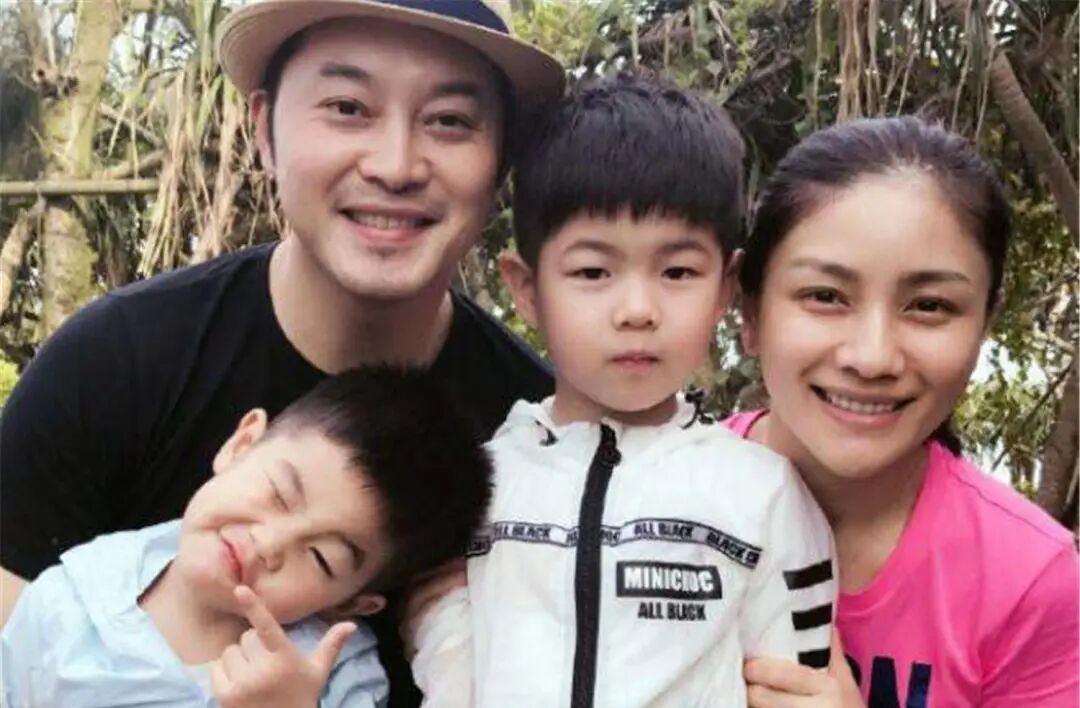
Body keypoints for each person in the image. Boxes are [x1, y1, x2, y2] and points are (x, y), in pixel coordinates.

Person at [0, 2, 562, 705]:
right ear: (264, 130)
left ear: (501, 163)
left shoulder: (547, 444)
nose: (395, 165)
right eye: (348, 107)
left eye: (449, 120)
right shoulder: (113, 365)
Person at [410, 75, 837, 708]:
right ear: (526, 288)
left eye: (678, 271)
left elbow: (797, 685)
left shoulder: (763, 495)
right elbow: (442, 655)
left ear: (726, 287)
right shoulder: (475, 487)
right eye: (592, 271)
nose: (637, 309)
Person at [728, 116, 1080, 707]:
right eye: (825, 296)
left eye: (929, 306)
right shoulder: (641, 504)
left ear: (984, 325)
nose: (872, 358)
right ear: (750, 311)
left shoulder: (1030, 581)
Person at [2, 367, 493, 708]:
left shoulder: (332, 673)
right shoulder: (75, 595)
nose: (270, 544)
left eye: (320, 558)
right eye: (279, 493)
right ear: (241, 444)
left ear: (349, 603)